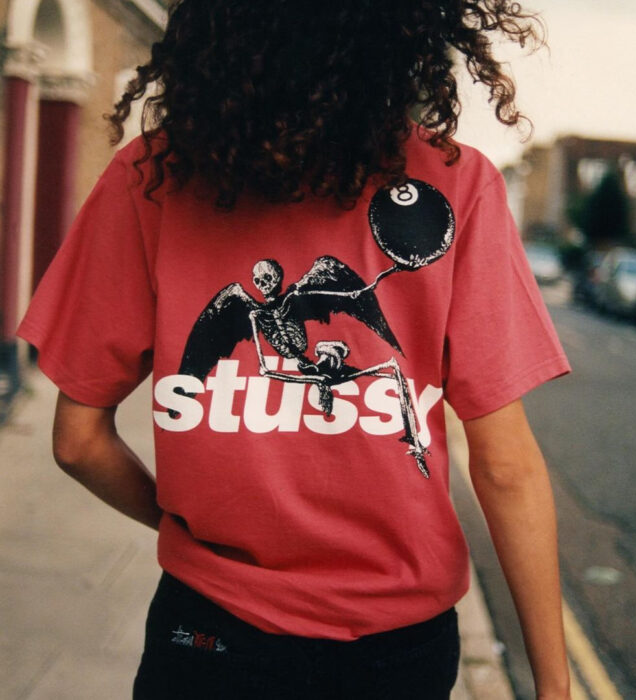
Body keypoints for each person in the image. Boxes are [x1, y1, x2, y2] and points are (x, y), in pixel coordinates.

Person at [17, 1, 572, 698]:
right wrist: (554, 686)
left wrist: (185, 529)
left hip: (207, 631)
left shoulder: (152, 176)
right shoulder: (455, 184)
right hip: (395, 647)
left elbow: (76, 442)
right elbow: (505, 466)